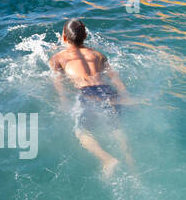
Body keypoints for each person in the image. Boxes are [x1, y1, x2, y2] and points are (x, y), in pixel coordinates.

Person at [48, 19, 135, 177]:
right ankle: (132, 165)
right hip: (108, 91)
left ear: (64, 37)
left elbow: (58, 83)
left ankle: (107, 160)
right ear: (86, 36)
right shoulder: (98, 54)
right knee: (116, 128)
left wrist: (63, 101)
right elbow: (114, 77)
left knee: (81, 132)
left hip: (86, 92)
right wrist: (125, 95)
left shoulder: (58, 58)